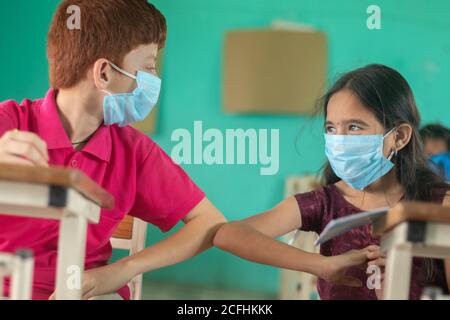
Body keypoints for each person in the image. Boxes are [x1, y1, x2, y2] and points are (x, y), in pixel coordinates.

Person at [0, 0, 228, 300]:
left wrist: (123, 269)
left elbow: (210, 223)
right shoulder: (8, 123)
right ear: (104, 73)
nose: (154, 81)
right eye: (148, 68)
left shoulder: (134, 152)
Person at [213, 64, 450, 300]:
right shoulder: (326, 203)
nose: (339, 141)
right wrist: (318, 264)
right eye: (331, 128)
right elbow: (228, 235)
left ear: (399, 137)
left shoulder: (439, 206)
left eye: (354, 127)